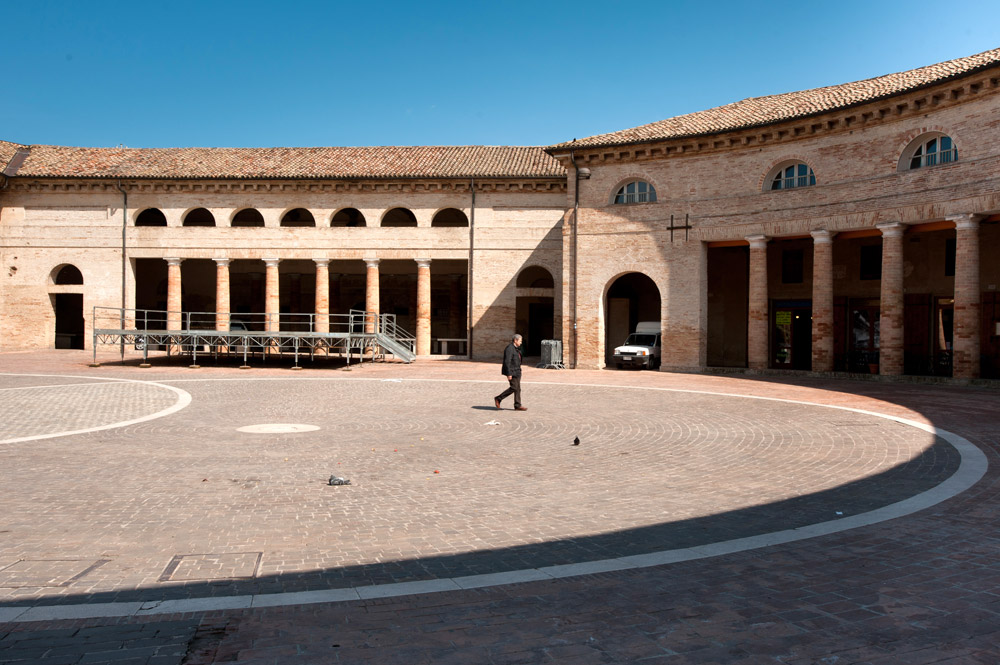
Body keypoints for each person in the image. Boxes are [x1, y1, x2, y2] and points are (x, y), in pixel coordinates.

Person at [494, 333, 527, 411]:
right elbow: (507, 362)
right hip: (512, 372)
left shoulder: (516, 348)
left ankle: (517, 405)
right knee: (514, 387)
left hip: (517, 371)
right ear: (515, 340)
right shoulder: (509, 348)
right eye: (520, 341)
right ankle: (498, 398)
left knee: (518, 388)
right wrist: (509, 373)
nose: (521, 343)